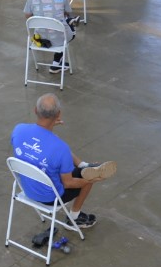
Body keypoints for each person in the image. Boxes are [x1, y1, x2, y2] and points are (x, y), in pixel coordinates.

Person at [11, 94, 117, 229]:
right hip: (50, 198)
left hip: (26, 189)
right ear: (58, 114)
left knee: (56, 150)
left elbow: (39, 143)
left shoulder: (18, 130)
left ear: (35, 110)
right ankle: (74, 218)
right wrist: (91, 180)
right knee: (86, 178)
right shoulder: (61, 148)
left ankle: (83, 165)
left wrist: (49, 126)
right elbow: (68, 183)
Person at [24, 0, 76, 73]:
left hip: (39, 38)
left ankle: (56, 64)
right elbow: (67, 12)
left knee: (59, 25)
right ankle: (56, 64)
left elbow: (28, 16)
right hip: (59, 37)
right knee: (71, 31)